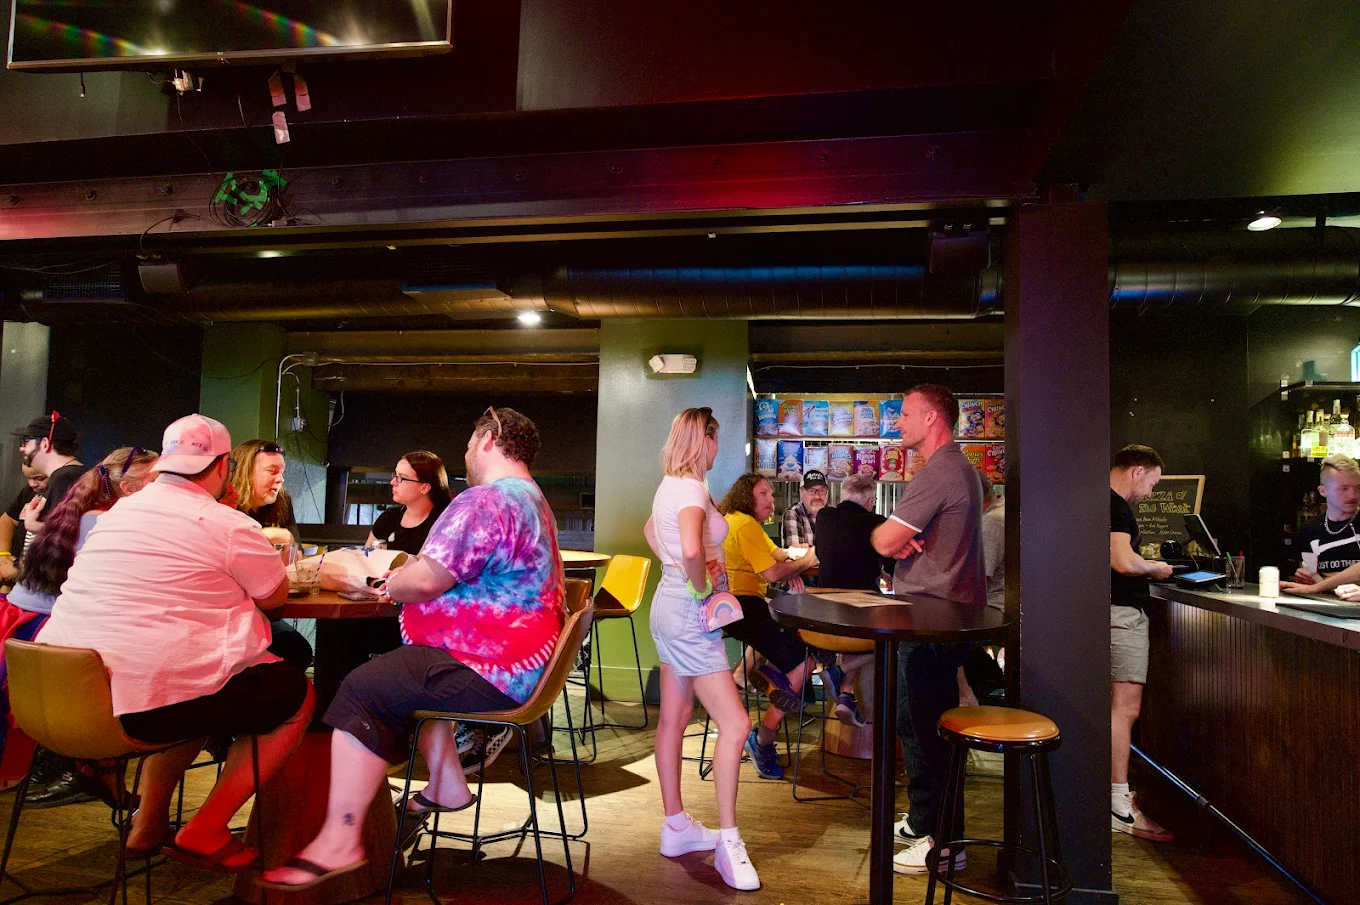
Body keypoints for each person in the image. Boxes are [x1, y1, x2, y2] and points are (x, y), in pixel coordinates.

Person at [259, 406, 564, 892]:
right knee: (406, 672)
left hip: (492, 668)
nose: (465, 451)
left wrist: (387, 580)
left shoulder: (486, 502)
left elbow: (423, 582)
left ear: (490, 439)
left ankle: (341, 841)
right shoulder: (532, 500)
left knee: (363, 686)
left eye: (469, 439)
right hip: (521, 662)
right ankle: (446, 784)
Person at [37, 415, 315, 871]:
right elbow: (275, 596)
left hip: (62, 696)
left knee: (201, 683)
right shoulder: (225, 524)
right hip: (133, 707)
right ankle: (205, 829)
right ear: (224, 466)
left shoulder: (115, 515)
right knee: (296, 694)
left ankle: (147, 823)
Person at [641, 407, 760, 892]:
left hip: (667, 609)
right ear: (704, 440)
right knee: (736, 724)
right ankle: (729, 845)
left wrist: (681, 572)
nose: (717, 449)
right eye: (715, 440)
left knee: (675, 715)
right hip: (689, 616)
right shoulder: (690, 489)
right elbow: (692, 549)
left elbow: (655, 534)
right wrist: (699, 587)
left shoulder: (673, 484)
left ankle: (677, 828)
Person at [869, 384, 985, 874]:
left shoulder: (940, 471)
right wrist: (896, 544)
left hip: (934, 619)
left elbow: (883, 537)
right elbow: (898, 541)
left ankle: (946, 843)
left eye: (907, 414)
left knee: (928, 729)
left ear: (934, 417)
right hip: (933, 616)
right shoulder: (956, 469)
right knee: (909, 721)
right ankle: (924, 821)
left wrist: (889, 542)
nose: (899, 423)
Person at [0, 448, 157, 797]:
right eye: (157, 481)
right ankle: (94, 765)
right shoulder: (105, 523)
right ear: (129, 490)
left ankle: (93, 767)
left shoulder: (86, 512)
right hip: (41, 632)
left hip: (17, 622)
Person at [719, 473, 818, 781]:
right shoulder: (745, 525)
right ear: (748, 496)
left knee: (787, 637)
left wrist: (798, 555)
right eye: (766, 494)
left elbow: (778, 554)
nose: (772, 500)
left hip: (734, 607)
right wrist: (809, 560)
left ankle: (758, 674)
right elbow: (774, 572)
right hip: (742, 608)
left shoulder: (738, 521)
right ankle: (762, 741)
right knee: (808, 656)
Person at [1109, 444, 1175, 842]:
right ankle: (1119, 804)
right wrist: (1158, 567)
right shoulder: (1116, 505)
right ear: (1137, 471)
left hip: (1107, 612)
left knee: (1114, 708)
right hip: (1122, 615)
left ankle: (1113, 796)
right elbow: (1123, 561)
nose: (1150, 493)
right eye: (1152, 483)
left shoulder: (1098, 500)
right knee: (1125, 708)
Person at [229, 439, 312, 671]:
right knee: (293, 651)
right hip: (232, 612)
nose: (280, 479)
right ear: (246, 472)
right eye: (271, 471)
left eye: (282, 471)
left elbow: (298, 560)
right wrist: (264, 535)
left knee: (299, 651)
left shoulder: (282, 501)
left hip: (267, 607)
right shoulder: (225, 505)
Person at [811, 472, 884, 726]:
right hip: (860, 615)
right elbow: (891, 565)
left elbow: (821, 554)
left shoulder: (823, 516)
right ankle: (842, 677)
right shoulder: (877, 522)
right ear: (869, 501)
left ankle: (846, 693)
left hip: (823, 617)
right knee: (892, 641)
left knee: (858, 633)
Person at [1281, 454, 1360, 596]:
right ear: (1323, 492)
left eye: (1358, 488)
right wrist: (1310, 581)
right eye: (1344, 489)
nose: (1353, 495)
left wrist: (1326, 582)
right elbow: (1308, 576)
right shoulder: (1309, 530)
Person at [366, 450, 451, 554]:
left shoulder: (443, 525)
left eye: (402, 478)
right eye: (395, 475)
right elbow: (366, 558)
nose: (393, 482)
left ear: (424, 488)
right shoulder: (388, 518)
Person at [13, 413, 84, 534]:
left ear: (45, 444)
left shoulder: (66, 478)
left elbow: (65, 535)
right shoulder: (68, 475)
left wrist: (33, 525)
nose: (22, 448)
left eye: (26, 442)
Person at [0, 466, 48, 587]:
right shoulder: (30, 491)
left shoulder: (62, 498)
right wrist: (3, 553)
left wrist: (19, 567)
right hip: (13, 574)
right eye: (29, 478)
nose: (32, 484)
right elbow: (7, 520)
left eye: (39, 478)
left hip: (36, 580)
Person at [782, 470, 829, 548]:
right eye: (812, 491)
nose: (817, 496)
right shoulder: (794, 513)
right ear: (801, 492)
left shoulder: (834, 515)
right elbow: (795, 554)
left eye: (822, 490)